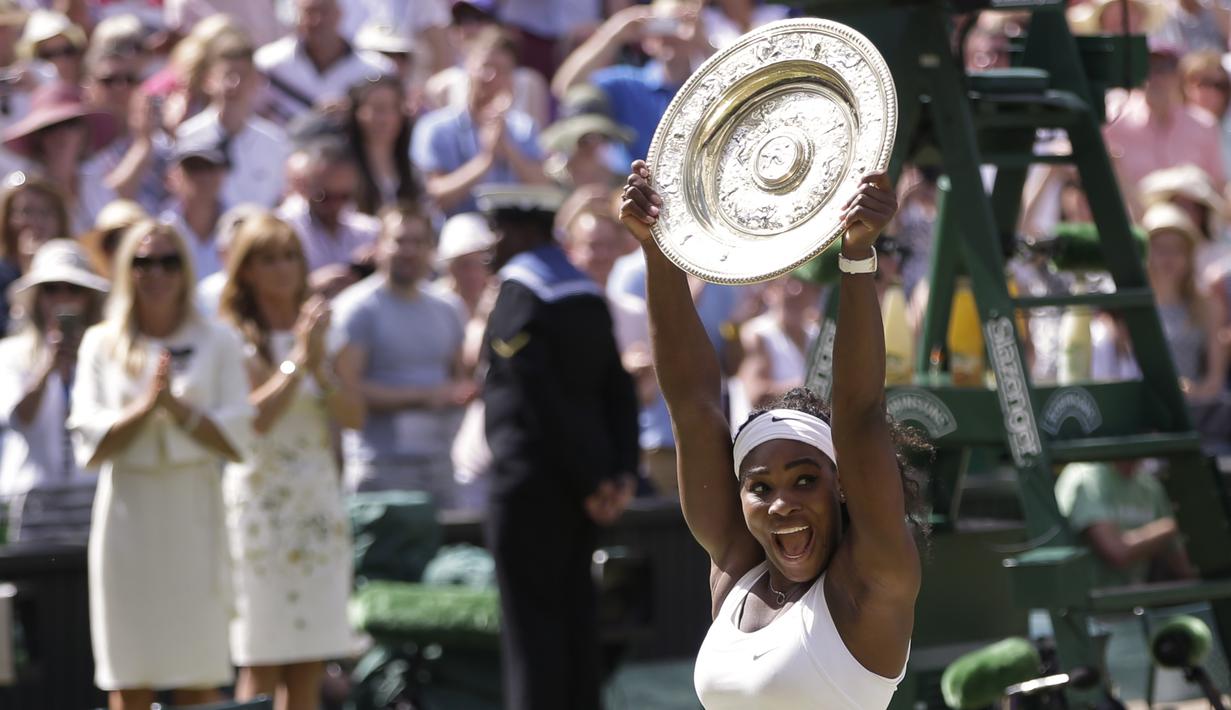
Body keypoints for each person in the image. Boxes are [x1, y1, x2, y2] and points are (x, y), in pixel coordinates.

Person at [621, 161, 925, 708]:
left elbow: (857, 414)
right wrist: (657, 247)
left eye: (805, 480)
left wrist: (857, 256)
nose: (781, 503)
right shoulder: (737, 567)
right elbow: (691, 408)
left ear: (842, 486)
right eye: (760, 488)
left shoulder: (874, 577)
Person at [68, 219, 253, 710]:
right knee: (129, 673)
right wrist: (147, 406)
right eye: (143, 262)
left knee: (197, 670)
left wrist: (176, 409)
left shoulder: (219, 340)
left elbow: (237, 435)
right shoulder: (99, 343)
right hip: (128, 513)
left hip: (194, 510)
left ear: (186, 269)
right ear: (126, 270)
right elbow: (89, 434)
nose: (157, 274)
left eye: (169, 261)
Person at [479, 183, 639, 710]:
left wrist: (594, 478)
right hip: (584, 493)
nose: (490, 243)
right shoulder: (584, 293)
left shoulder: (521, 293)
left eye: (498, 231)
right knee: (576, 625)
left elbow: (538, 401)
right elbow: (617, 391)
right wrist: (616, 474)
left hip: (535, 492)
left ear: (524, 232)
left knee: (532, 636)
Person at [218, 212, 364, 710]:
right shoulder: (232, 335)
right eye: (268, 259)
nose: (282, 269)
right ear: (247, 271)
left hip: (317, 502)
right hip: (260, 506)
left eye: (289, 257)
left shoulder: (326, 329)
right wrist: (299, 359)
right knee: (261, 659)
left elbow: (354, 415)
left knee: (308, 660)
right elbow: (254, 419)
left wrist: (321, 367)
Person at [333, 204, 472, 502]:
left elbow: (457, 378)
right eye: (399, 241)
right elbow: (347, 390)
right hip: (380, 465)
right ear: (379, 246)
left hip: (440, 462)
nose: (408, 251)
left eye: (418, 242)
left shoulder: (449, 308)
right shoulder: (357, 309)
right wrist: (423, 397)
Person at [0, 239, 107, 539]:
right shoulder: (10, 354)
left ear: (88, 299)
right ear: (37, 298)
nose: (62, 298)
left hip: (93, 493)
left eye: (73, 289)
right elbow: (20, 419)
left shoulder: (104, 354)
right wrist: (47, 366)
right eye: (51, 289)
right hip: (33, 499)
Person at [412, 27, 548, 216]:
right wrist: (486, 160)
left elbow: (543, 188)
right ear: (468, 67)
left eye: (501, 70)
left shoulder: (524, 128)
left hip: (513, 233)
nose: (491, 77)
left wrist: (507, 148)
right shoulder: (435, 127)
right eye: (485, 67)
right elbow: (434, 195)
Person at [552, 0, 706, 161]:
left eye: (677, 24)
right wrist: (613, 34)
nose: (669, 37)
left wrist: (703, 41)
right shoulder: (628, 84)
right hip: (631, 181)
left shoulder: (706, 86)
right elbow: (566, 88)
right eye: (660, 24)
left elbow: (733, 87)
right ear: (647, 40)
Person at [177, 32, 291, 210]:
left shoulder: (275, 142)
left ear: (255, 81)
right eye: (227, 75)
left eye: (242, 75)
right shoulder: (187, 136)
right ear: (209, 80)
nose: (234, 84)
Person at [1, 81, 120, 232]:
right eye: (50, 128)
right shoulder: (22, 191)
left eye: (70, 124)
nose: (61, 134)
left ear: (84, 134)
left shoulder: (95, 183)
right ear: (38, 138)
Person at [1056, 460, 1193, 588]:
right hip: (1089, 606)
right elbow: (1117, 552)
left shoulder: (1151, 486)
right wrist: (1172, 527)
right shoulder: (1086, 476)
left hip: (1140, 603)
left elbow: (1183, 566)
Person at [254, 0, 393, 125]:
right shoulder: (267, 63)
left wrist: (353, 115)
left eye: (324, 11)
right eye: (309, 12)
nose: (317, 20)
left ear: (340, 13)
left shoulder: (377, 70)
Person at [1143, 201, 1226, 400]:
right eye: (1160, 249)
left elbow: (1215, 381)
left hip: (1192, 414)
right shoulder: (1131, 306)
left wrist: (1194, 393)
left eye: (1177, 249)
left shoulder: (1208, 306)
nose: (1168, 258)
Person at [276, 139, 379, 297]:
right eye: (324, 196)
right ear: (305, 185)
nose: (335, 205)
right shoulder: (283, 229)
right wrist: (310, 285)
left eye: (344, 196)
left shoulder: (369, 231)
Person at [0, 172, 70, 336]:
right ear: (7, 219)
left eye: (45, 212)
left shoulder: (75, 266)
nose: (36, 222)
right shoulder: (2, 273)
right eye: (26, 212)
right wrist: (29, 271)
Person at [346, 74, 419, 215]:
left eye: (395, 108)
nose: (387, 118)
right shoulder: (342, 162)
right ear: (357, 112)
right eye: (378, 109)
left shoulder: (414, 161)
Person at [159, 142, 230, 281]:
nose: (203, 177)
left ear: (222, 174)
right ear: (176, 176)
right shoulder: (163, 228)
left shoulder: (239, 225)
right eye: (194, 169)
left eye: (210, 168)